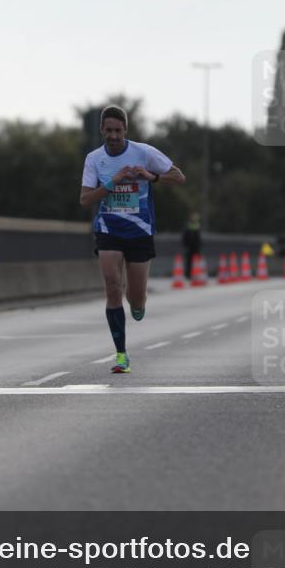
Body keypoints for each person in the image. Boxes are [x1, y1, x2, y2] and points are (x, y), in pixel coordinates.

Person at [80, 105, 186, 373]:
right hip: (108, 229)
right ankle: (121, 355)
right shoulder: (94, 158)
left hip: (139, 232)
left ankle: (137, 303)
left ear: (125, 130)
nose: (113, 135)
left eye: (118, 130)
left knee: (135, 300)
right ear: (102, 130)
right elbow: (85, 199)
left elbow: (179, 176)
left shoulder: (144, 152)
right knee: (112, 286)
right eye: (109, 131)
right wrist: (112, 183)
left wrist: (152, 177)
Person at [182, 212, 202, 280]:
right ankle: (189, 275)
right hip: (191, 246)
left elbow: (198, 236)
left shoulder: (196, 225)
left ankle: (194, 274)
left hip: (194, 246)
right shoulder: (191, 225)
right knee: (190, 262)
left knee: (194, 261)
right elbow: (185, 236)